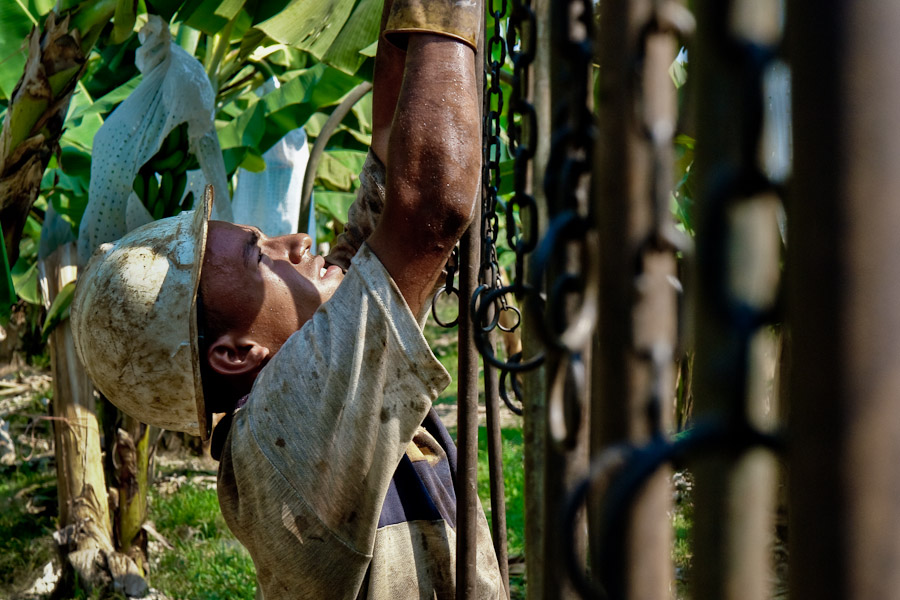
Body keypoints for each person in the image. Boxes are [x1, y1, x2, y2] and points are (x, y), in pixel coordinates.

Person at [70, 0, 504, 598]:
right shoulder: (285, 431)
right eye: (260, 255)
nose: (296, 242)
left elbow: (386, 167)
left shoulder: (296, 394)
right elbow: (429, 205)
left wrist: (409, 19)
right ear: (235, 352)